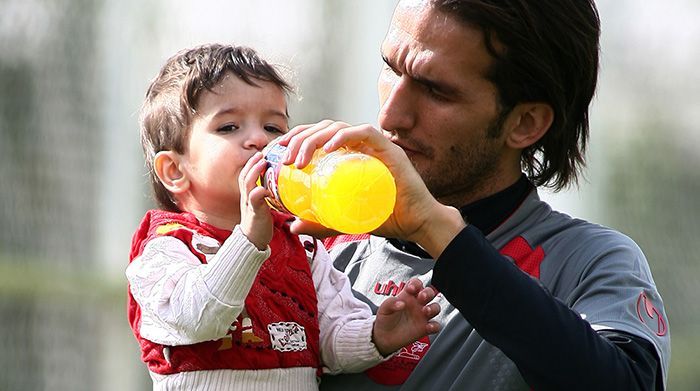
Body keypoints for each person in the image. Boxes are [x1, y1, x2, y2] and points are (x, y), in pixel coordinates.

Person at [278, 0, 671, 390]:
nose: (391, 115)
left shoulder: (587, 262)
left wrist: (439, 232)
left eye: (435, 90)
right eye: (391, 68)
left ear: (525, 123)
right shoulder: (314, 240)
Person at [125, 43, 441, 391]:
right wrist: (247, 242)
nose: (259, 139)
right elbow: (199, 318)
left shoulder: (301, 247)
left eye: (274, 128)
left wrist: (377, 335)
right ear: (174, 170)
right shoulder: (164, 249)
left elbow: (330, 342)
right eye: (229, 127)